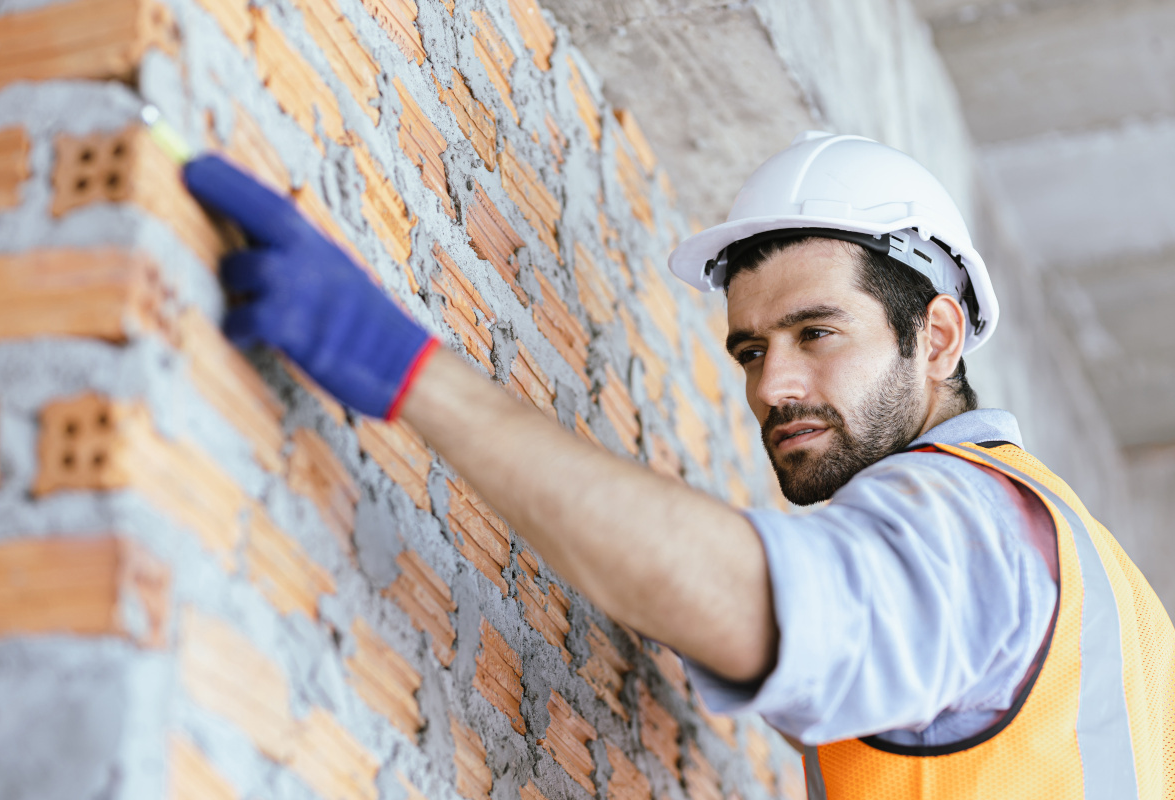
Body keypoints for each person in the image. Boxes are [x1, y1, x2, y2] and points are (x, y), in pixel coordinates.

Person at [183, 131, 1173, 798]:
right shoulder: (1096, 586)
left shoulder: (965, 523)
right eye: (750, 349)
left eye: (816, 330)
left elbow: (755, 602)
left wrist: (411, 373)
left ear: (939, 334)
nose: (772, 385)